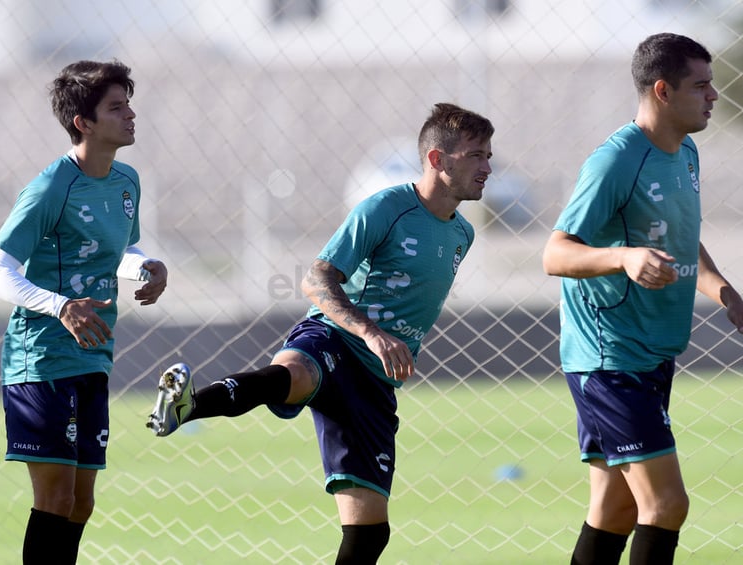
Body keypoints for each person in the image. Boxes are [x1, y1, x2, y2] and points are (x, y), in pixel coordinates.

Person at [147, 102, 494, 564]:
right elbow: (316, 279)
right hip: (336, 338)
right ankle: (188, 406)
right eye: (476, 155)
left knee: (370, 534)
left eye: (489, 155)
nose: (488, 167)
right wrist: (371, 333)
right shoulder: (386, 208)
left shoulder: (462, 234)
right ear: (437, 159)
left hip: (374, 383)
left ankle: (193, 405)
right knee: (295, 375)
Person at [542, 33, 743, 565]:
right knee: (666, 505)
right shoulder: (615, 162)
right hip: (609, 358)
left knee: (613, 512)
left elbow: (678, 234)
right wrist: (623, 258)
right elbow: (556, 253)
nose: (713, 97)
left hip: (649, 353)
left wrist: (721, 288)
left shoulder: (685, 151)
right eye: (700, 86)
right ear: (662, 90)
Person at [0, 60, 168, 564]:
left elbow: (118, 253)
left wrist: (147, 265)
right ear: (83, 123)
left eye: (128, 103)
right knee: (56, 499)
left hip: (93, 357)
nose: (131, 115)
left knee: (81, 504)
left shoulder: (126, 181)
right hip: (40, 361)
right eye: (116, 107)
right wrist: (60, 306)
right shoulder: (48, 189)